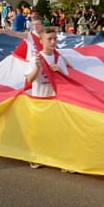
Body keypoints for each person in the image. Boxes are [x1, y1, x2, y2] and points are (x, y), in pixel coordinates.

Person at [25, 28, 69, 168]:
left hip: (55, 100)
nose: (53, 42)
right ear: (41, 41)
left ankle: (60, 159)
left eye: (55, 39)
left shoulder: (59, 59)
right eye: (49, 39)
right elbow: (29, 81)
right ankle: (36, 156)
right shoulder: (36, 59)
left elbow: (67, 81)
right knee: (40, 130)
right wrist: (37, 68)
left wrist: (60, 71)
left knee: (58, 129)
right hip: (40, 99)